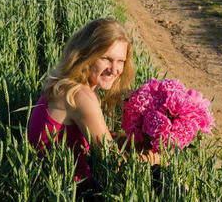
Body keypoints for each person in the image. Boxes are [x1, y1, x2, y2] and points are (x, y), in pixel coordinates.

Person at [27, 18, 160, 199]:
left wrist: (137, 142)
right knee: (163, 178)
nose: (114, 69)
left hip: (53, 185)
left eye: (120, 61)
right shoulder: (81, 97)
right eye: (106, 58)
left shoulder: (70, 86)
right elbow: (114, 164)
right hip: (68, 193)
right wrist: (153, 158)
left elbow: (97, 138)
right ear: (86, 55)